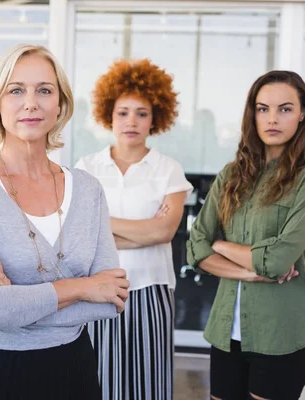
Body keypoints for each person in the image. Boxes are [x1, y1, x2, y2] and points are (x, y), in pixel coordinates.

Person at [0, 44, 129, 400]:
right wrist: (82, 287)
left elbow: (111, 300)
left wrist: (14, 296)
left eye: (44, 90)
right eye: (16, 90)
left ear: (60, 104)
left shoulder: (88, 189)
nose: (31, 102)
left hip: (71, 369)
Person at [186, 70, 305, 400]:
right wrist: (246, 272)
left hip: (280, 334)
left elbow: (278, 260)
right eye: (263, 109)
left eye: (285, 108)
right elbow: (195, 247)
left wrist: (220, 245)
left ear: (302, 113)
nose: (272, 119)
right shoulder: (231, 173)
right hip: (226, 333)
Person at [76, 59, 193, 400]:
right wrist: (143, 230)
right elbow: (81, 234)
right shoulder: (87, 168)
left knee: (149, 384)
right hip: (100, 286)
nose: (131, 121)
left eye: (141, 113)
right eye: (123, 112)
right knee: (100, 380)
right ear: (108, 115)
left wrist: (103, 224)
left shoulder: (168, 170)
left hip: (151, 290)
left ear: (155, 118)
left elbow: (164, 232)